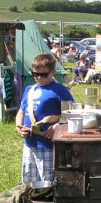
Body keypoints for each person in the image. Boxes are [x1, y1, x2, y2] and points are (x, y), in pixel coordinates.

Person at [16, 53, 74, 188]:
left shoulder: (60, 90)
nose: (38, 78)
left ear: (53, 72)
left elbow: (71, 114)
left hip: (48, 146)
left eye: (43, 75)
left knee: (47, 184)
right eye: (35, 74)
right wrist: (18, 126)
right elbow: (21, 111)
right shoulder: (29, 90)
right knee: (29, 184)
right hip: (29, 144)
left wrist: (56, 127)